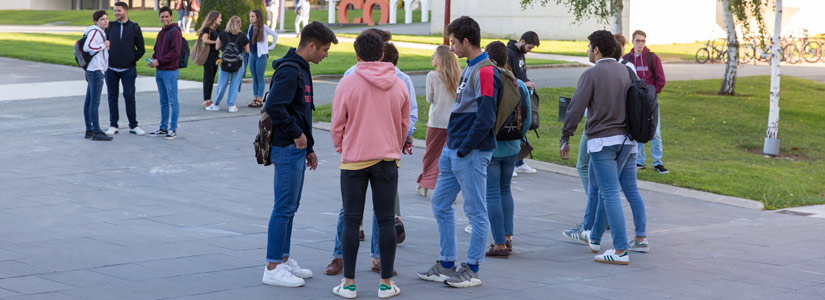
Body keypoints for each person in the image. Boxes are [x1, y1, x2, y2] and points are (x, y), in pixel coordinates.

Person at [325, 29, 417, 277]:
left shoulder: (347, 82)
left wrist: (341, 147)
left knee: (351, 219)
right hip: (387, 158)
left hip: (354, 159)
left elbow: (337, 123)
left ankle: (349, 283)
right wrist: (394, 146)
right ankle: (386, 282)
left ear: (357, 55)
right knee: (386, 219)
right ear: (382, 53)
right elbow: (404, 123)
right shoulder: (399, 84)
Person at [416, 16, 500, 288]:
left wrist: (464, 148)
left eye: (453, 42)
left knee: (476, 212)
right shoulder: (470, 67)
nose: (451, 48)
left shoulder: (485, 71)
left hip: (469, 152)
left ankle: (472, 268)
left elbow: (485, 118)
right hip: (455, 149)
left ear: (466, 41)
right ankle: (447, 262)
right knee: (440, 203)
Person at [261, 21, 337, 288]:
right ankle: (272, 266)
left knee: (290, 208)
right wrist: (296, 135)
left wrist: (309, 147)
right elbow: (274, 106)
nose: (326, 54)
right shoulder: (291, 70)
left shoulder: (301, 68)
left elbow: (300, 112)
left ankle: (283, 258)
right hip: (286, 147)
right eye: (325, 49)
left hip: (296, 147)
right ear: (312, 45)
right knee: (283, 208)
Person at [563, 36, 648, 255]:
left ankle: (620, 250)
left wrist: (566, 136)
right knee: (598, 188)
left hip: (602, 141)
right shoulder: (625, 71)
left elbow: (575, 108)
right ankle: (593, 236)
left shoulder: (591, 74)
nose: (587, 50)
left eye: (589, 46)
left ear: (597, 50)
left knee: (609, 192)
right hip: (626, 141)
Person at [483, 41, 531, 259]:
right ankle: (508, 237)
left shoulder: (489, 80)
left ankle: (499, 243)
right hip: (512, 145)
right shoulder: (519, 84)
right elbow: (528, 117)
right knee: (505, 190)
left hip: (492, 146)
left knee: (491, 193)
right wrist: (520, 138)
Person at [416, 45, 460, 197]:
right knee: (448, 157)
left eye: (434, 55)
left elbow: (430, 98)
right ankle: (448, 188)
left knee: (431, 154)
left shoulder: (432, 76)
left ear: (439, 59)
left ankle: (426, 183)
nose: (432, 58)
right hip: (453, 122)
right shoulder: (458, 76)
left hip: (436, 121)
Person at [622, 30, 668, 174]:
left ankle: (658, 162)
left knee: (655, 132)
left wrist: (652, 92)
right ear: (633, 41)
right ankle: (639, 160)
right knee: (638, 128)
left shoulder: (652, 57)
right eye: (637, 41)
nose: (640, 44)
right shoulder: (627, 59)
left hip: (649, 101)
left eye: (642, 41)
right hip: (635, 101)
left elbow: (661, 79)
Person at [104, 2, 146, 136]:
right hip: (111, 69)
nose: (116, 13)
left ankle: (133, 125)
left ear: (126, 11)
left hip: (128, 69)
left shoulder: (134, 27)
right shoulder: (109, 27)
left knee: (129, 96)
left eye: (119, 11)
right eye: (114, 11)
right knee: (112, 97)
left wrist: (131, 59)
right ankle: (113, 125)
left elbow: (141, 49)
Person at [506, 31, 540, 176]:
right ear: (523, 41)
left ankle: (518, 162)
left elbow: (521, 73)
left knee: (521, 128)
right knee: (514, 128)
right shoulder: (510, 53)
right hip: (514, 94)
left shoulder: (520, 54)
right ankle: (513, 162)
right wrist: (523, 83)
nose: (529, 51)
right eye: (529, 48)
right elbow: (509, 74)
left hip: (522, 92)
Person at [147, 6, 182, 140]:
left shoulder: (175, 32)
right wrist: (154, 60)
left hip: (170, 72)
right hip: (160, 71)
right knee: (163, 101)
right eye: (162, 17)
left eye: (167, 16)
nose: (164, 19)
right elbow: (157, 50)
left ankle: (172, 129)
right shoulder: (161, 32)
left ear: (171, 17)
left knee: (173, 101)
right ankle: (163, 128)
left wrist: (159, 61)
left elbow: (175, 53)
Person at [205, 16, 250, 113]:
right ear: (239, 24)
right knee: (234, 84)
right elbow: (247, 50)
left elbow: (217, 47)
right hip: (238, 63)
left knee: (222, 84)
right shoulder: (243, 36)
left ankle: (216, 104)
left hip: (224, 62)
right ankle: (231, 105)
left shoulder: (222, 34)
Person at [82, 10, 113, 141]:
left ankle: (89, 129)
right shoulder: (95, 32)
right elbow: (87, 47)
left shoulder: (97, 32)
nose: (105, 21)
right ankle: (96, 131)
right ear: (96, 22)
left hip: (93, 70)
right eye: (102, 19)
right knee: (94, 102)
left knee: (89, 101)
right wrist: (103, 45)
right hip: (95, 71)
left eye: (106, 18)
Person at [247, 9, 278, 108]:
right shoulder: (250, 27)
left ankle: (260, 98)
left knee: (260, 77)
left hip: (261, 56)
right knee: (254, 77)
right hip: (252, 55)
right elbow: (248, 39)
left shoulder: (264, 28)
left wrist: (271, 47)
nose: (250, 18)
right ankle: (255, 97)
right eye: (250, 16)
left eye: (252, 16)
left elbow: (275, 35)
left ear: (257, 18)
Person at [196, 10, 221, 108]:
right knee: (208, 78)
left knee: (211, 79)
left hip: (215, 56)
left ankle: (209, 99)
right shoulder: (207, 29)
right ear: (214, 19)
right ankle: (206, 99)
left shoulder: (215, 30)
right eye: (219, 18)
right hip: (208, 56)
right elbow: (205, 40)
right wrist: (217, 42)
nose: (220, 20)